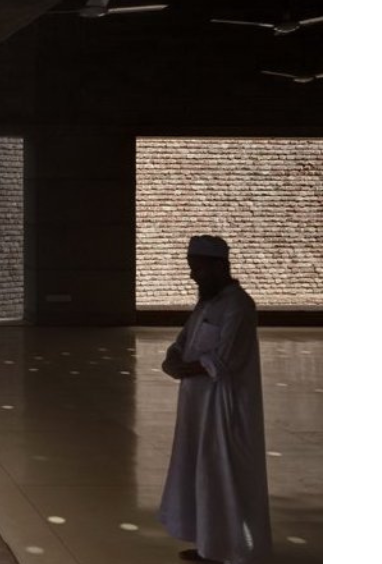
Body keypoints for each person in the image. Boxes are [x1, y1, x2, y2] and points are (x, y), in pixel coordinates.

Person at [157, 234, 271, 563]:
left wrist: (183, 369)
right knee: (201, 473)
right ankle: (210, 544)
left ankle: (233, 549)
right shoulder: (208, 304)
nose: (194, 276)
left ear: (219, 268)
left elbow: (223, 361)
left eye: (199, 269)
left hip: (225, 409)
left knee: (223, 475)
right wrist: (173, 356)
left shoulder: (238, 306)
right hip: (199, 407)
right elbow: (185, 339)